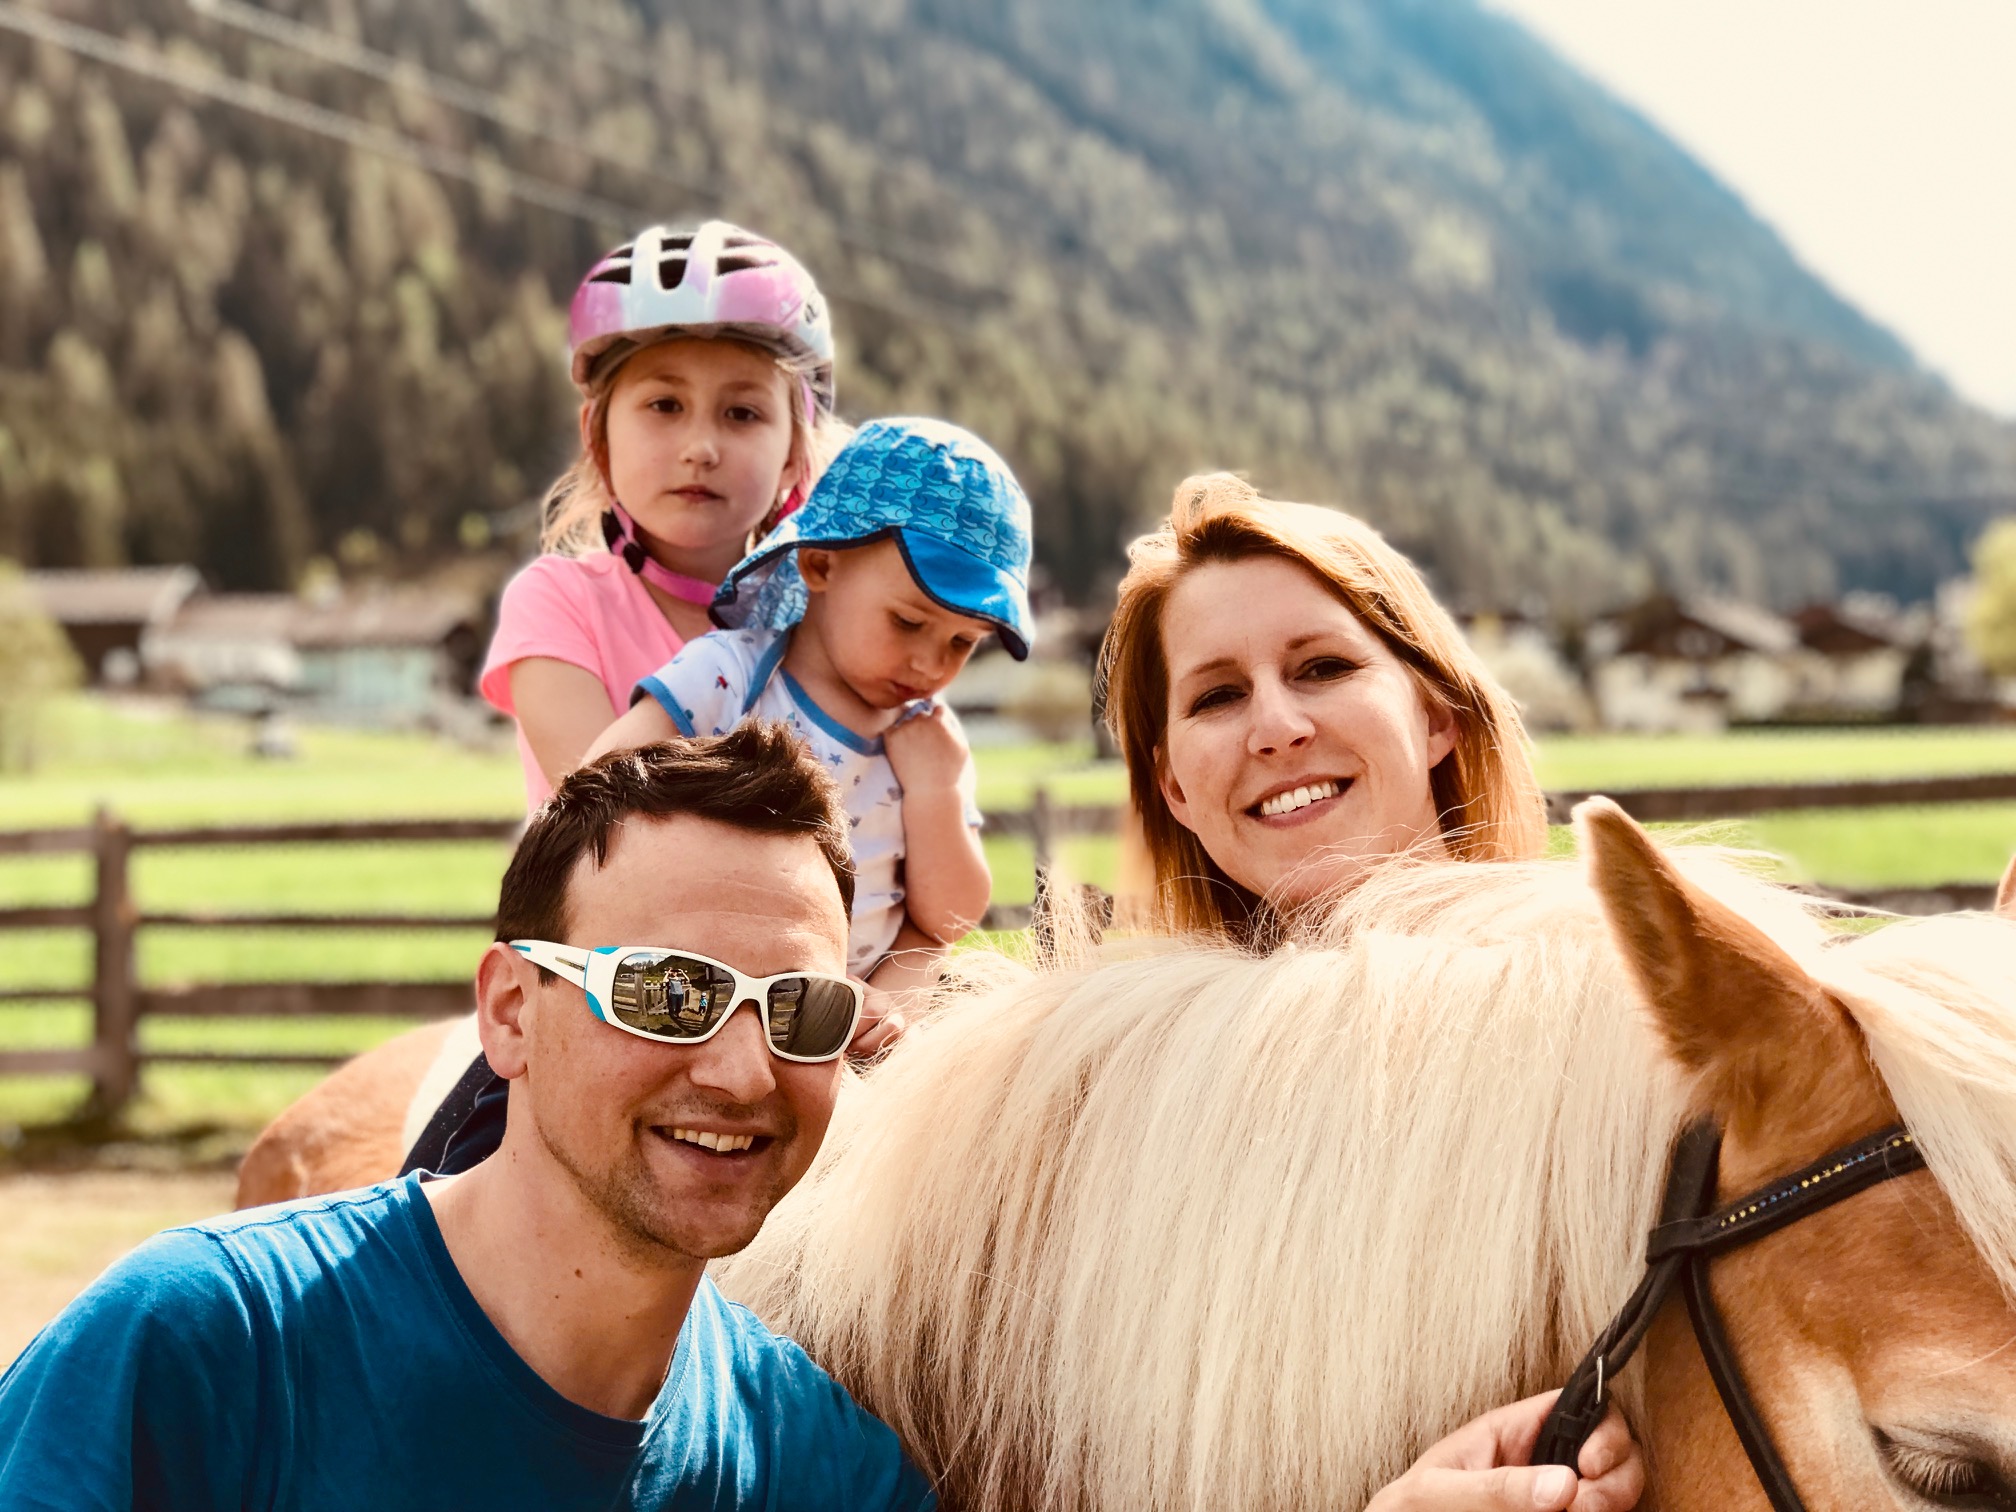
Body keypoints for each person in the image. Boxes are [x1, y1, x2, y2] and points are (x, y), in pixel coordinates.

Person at [0, 727, 930, 1510]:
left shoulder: (829, 1473)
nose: (741, 1073)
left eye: (801, 1008)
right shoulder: (197, 1351)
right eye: (666, 991)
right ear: (512, 1012)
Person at [589, 415, 1035, 991]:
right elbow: (596, 785)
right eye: (906, 622)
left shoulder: (928, 742)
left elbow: (943, 920)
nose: (931, 665)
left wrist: (937, 793)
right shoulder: (729, 677)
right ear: (820, 564)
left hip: (866, 1000)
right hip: (715, 986)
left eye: (961, 642)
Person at [485, 219, 853, 805]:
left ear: (793, 452)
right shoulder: (558, 605)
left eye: (741, 414)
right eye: (664, 404)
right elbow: (608, 816)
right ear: (596, 434)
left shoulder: (827, 623)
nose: (699, 448)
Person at [1099, 470, 1548, 940]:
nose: (1276, 727)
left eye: (1324, 668)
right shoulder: (1152, 1013)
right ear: (1175, 788)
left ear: (1435, 715)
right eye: (1219, 696)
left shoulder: (1598, 984)